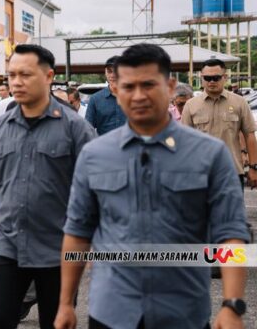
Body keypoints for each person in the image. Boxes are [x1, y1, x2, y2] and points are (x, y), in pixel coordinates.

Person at [55, 44, 250, 329]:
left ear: (170, 86)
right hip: (112, 311)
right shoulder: (94, 155)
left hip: (183, 312)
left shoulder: (210, 154)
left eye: (148, 85)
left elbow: (231, 232)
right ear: (116, 90)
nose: (138, 95)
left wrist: (232, 305)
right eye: (128, 86)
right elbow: (77, 231)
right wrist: (64, 304)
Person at [0, 44, 96, 329]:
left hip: (58, 251)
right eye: (11, 75)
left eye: (25, 74)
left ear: (49, 76)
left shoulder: (76, 129)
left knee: (57, 323)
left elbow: (93, 194)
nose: (16, 82)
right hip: (6, 247)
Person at [182, 58, 257, 191]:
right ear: (202, 78)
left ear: (225, 77)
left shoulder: (240, 103)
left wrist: (253, 167)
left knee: (233, 212)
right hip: (201, 174)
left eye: (216, 77)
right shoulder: (191, 105)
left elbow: (250, 135)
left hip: (232, 172)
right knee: (201, 212)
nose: (211, 81)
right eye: (207, 78)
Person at [85, 56, 127, 135]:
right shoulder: (95, 99)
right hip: (104, 146)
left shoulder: (133, 97)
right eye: (109, 71)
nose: (112, 75)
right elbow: (87, 129)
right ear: (105, 73)